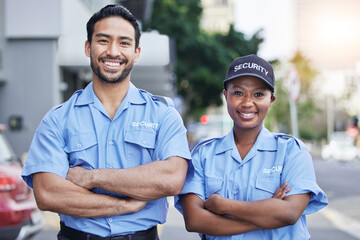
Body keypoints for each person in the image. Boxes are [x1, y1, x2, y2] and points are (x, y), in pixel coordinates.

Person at [21, 5, 191, 240]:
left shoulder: (162, 114)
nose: (113, 51)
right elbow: (48, 194)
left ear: (136, 52)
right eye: (103, 41)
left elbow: (172, 179)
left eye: (124, 43)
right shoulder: (58, 119)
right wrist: (126, 205)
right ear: (88, 47)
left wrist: (90, 178)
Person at [175, 54, 328, 239]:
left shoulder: (291, 151)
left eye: (259, 94)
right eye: (238, 93)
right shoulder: (204, 155)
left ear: (271, 99)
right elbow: (195, 221)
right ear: (226, 96)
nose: (248, 103)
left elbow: (289, 213)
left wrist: (223, 205)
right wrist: (268, 213)